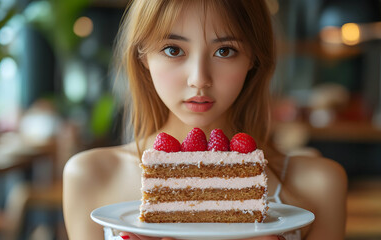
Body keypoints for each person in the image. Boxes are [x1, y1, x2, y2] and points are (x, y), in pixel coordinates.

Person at [62, 0, 348, 240]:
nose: (199, 79)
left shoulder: (320, 185)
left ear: (253, 59)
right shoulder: (89, 177)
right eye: (173, 49)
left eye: (225, 50)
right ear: (143, 57)